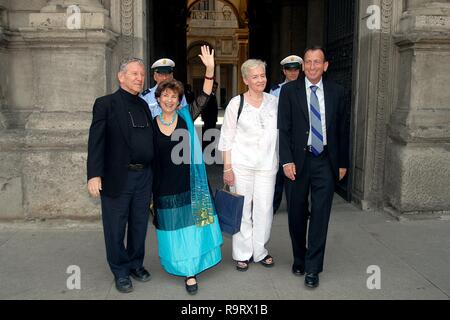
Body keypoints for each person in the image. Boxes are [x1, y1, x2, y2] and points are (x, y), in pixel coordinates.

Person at [152, 45, 222, 295]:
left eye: (174, 96)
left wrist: (210, 70)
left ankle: (191, 270)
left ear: (179, 100)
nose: (170, 100)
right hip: (164, 185)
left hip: (191, 182)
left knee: (191, 227)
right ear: (158, 99)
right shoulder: (152, 124)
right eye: (165, 96)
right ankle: (179, 263)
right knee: (173, 227)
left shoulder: (186, 116)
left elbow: (204, 96)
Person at [278, 46, 349, 288]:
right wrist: (286, 161)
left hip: (325, 161)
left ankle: (313, 266)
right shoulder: (288, 91)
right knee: (296, 213)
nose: (311, 66)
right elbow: (284, 129)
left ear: (325, 65)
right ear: (303, 65)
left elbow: (342, 129)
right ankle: (299, 256)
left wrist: (342, 162)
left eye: (316, 62)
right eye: (308, 62)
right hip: (298, 161)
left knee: (320, 214)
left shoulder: (337, 92)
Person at [87, 57, 154, 293]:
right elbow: (96, 142)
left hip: (144, 177)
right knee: (115, 227)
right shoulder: (105, 104)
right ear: (121, 76)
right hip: (118, 177)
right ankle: (120, 270)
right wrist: (94, 175)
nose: (139, 78)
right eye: (134, 74)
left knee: (139, 225)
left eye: (141, 74)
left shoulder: (144, 105)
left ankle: (136, 264)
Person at [218, 59, 278, 272]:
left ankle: (260, 250)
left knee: (264, 208)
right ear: (245, 80)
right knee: (242, 210)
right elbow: (227, 137)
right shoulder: (236, 103)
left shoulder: (274, 102)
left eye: (262, 75)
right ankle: (243, 253)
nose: (260, 79)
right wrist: (227, 168)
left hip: (267, 166)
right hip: (241, 165)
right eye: (255, 76)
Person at [269, 55, 303, 214]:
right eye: (290, 70)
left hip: (301, 137)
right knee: (278, 173)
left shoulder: (306, 88)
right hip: (281, 135)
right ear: (284, 71)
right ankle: (273, 205)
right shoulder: (276, 91)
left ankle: (299, 208)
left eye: (296, 69)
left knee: (300, 173)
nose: (293, 72)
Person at [201, 81, 219, 151]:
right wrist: (204, 118)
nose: (215, 89)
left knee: (211, 134)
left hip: (212, 119)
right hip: (208, 119)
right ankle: (206, 149)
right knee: (207, 134)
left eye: (216, 87)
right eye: (213, 87)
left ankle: (209, 148)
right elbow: (204, 108)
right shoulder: (208, 96)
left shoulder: (213, 95)